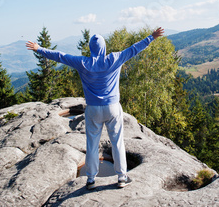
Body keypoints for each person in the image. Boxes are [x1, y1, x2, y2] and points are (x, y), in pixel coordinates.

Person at [26, 27, 164, 189]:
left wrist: (39, 49)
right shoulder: (114, 58)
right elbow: (134, 49)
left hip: (93, 109)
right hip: (112, 108)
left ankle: (91, 179)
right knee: (117, 142)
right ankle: (121, 177)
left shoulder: (83, 63)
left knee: (92, 144)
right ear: (104, 47)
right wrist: (151, 37)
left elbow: (60, 56)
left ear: (91, 49)